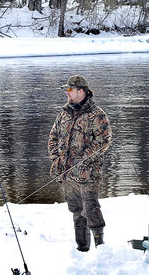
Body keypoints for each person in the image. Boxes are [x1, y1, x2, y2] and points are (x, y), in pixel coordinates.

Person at [48, 75, 112, 252]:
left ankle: (101, 249)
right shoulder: (63, 113)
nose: (67, 94)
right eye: (66, 90)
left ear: (81, 91)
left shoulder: (96, 114)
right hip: (67, 174)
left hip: (88, 174)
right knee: (76, 210)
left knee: (91, 208)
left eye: (70, 90)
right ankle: (82, 248)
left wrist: (82, 160)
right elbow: (53, 137)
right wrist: (56, 159)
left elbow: (104, 141)